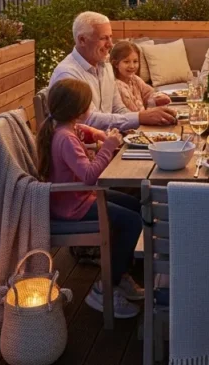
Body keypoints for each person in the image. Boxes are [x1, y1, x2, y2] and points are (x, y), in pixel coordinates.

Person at [36, 78, 144, 319]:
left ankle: (120, 271)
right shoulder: (65, 138)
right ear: (78, 110)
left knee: (136, 206)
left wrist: (97, 134)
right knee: (132, 222)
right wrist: (108, 147)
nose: (90, 109)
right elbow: (88, 176)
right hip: (73, 205)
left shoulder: (62, 127)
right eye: (88, 105)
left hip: (76, 197)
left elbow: (82, 132)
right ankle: (104, 287)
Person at [50, 11, 176, 130]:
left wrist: (141, 122)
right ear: (82, 40)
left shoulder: (106, 66)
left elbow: (118, 108)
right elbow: (89, 120)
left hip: (109, 140)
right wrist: (139, 117)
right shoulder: (67, 75)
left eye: (110, 37)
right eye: (103, 38)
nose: (110, 44)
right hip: (86, 149)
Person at [111, 40, 173, 112]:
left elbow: (149, 93)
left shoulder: (135, 79)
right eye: (126, 62)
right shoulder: (117, 85)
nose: (132, 66)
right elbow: (133, 111)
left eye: (135, 61)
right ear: (115, 64)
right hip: (132, 120)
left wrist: (158, 98)